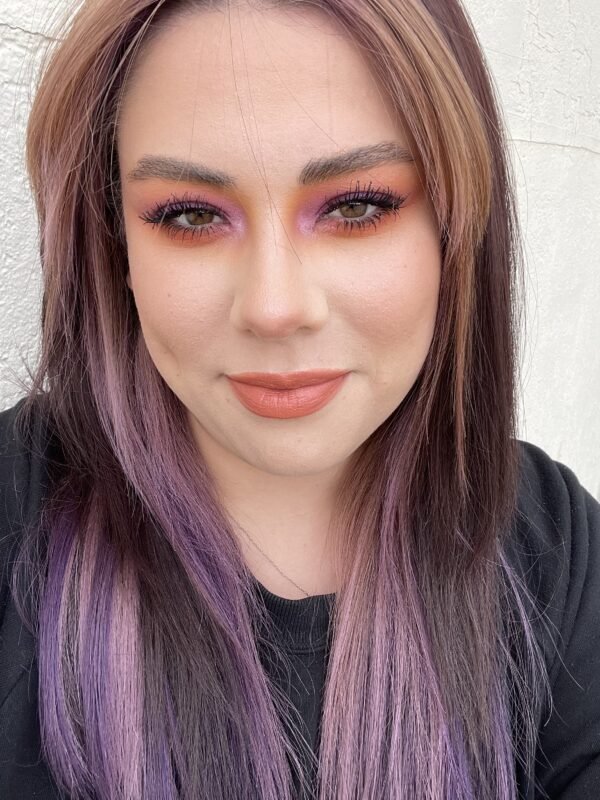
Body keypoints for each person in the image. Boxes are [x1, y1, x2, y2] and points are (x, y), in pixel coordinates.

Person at [0, 0, 598, 798]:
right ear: (115, 247)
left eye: (356, 207)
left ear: (456, 227)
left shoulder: (554, 547)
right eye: (190, 215)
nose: (274, 308)